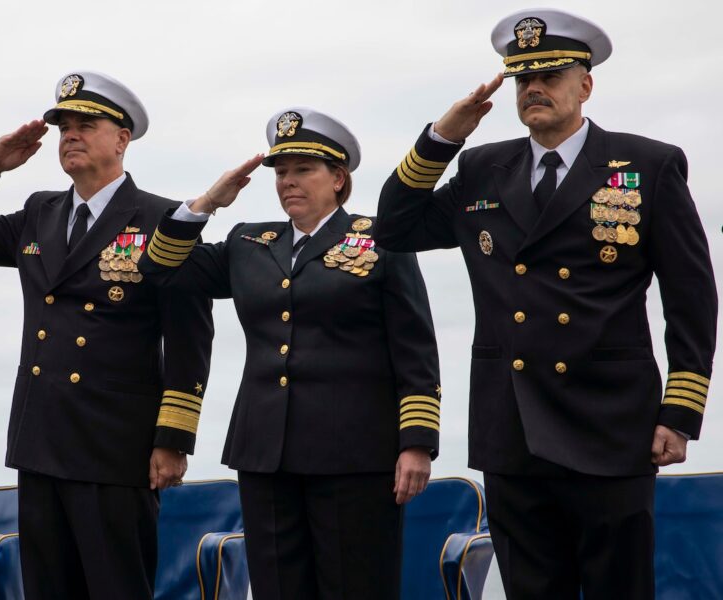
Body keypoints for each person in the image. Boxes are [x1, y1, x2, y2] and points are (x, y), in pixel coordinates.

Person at [375, 8, 717, 599]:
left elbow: (692, 298)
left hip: (611, 424)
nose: (533, 89)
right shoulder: (484, 167)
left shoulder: (646, 165)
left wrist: (680, 410)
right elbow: (394, 229)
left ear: (584, 84)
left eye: (551, 75)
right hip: (514, 424)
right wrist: (443, 137)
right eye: (521, 79)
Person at [0, 71, 213, 599]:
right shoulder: (41, 211)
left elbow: (190, 341)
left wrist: (172, 439)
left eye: (87, 125)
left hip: (115, 444)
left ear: (122, 139)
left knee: (115, 587)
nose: (71, 136)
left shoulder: (161, 219)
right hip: (41, 437)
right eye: (64, 128)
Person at [138, 107, 441, 600]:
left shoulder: (381, 240)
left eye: (303, 170)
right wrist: (210, 202)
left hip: (354, 454)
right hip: (266, 453)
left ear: (338, 179)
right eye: (281, 172)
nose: (288, 182)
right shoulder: (248, 243)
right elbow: (161, 267)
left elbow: (416, 351)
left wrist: (416, 443)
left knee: (355, 587)